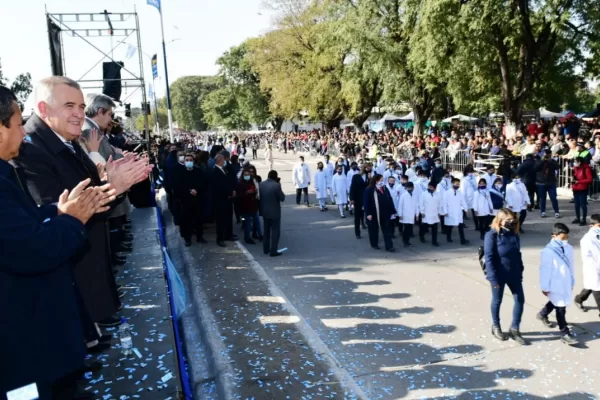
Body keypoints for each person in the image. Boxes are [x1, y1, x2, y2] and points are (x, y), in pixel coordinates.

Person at [0, 85, 113, 399]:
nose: (24, 131)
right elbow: (32, 249)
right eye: (19, 123)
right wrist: (72, 218)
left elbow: (24, 223)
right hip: (19, 345)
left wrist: (60, 211)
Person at [16, 76, 149, 329]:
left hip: (88, 267)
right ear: (43, 109)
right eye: (69, 106)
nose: (79, 114)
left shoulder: (68, 142)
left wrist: (113, 183)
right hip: (70, 276)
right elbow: (59, 213)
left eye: (80, 106)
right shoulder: (30, 151)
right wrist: (113, 187)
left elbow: (92, 190)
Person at [484, 208, 527, 345]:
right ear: (500, 220)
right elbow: (489, 258)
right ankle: (496, 326)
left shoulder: (514, 233)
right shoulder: (492, 235)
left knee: (520, 299)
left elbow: (517, 253)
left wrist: (520, 269)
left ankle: (515, 328)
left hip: (514, 272)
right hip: (499, 273)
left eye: (513, 219)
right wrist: (492, 277)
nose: (512, 222)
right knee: (497, 300)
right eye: (508, 220)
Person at [537, 223, 578, 345]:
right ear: (554, 236)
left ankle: (543, 313)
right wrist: (544, 287)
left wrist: (572, 279)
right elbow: (545, 270)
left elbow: (571, 264)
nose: (565, 240)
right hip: (554, 283)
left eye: (566, 238)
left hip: (565, 281)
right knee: (561, 307)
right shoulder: (548, 251)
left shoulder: (568, 248)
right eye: (562, 238)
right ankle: (564, 332)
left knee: (558, 301)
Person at [176, 153, 207, 246]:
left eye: (191, 160)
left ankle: (199, 236)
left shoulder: (198, 171)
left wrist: (196, 190)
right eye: (187, 160)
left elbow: (203, 183)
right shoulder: (180, 172)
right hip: (186, 200)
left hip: (197, 199)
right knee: (187, 221)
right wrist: (189, 191)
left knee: (199, 220)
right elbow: (178, 186)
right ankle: (187, 238)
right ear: (184, 161)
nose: (189, 162)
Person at [574, 214, 600, 314]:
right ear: (591, 226)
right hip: (594, 269)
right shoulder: (587, 240)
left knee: (590, 286)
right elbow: (594, 257)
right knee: (597, 288)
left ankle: (579, 299)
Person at [363, 174, 396, 252]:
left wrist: (392, 211)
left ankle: (389, 246)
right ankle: (374, 244)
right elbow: (366, 202)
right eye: (380, 180)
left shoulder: (385, 188)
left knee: (387, 230)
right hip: (374, 213)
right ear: (376, 180)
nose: (382, 182)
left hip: (385, 213)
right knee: (374, 230)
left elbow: (389, 199)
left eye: (383, 180)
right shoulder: (369, 189)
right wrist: (368, 213)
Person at [212, 154, 237, 247]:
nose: (225, 162)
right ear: (220, 160)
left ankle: (227, 235)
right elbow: (219, 187)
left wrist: (232, 191)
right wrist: (229, 192)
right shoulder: (215, 171)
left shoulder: (223, 169)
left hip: (227, 199)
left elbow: (227, 182)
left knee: (227, 218)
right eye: (223, 160)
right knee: (220, 220)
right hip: (220, 200)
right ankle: (220, 239)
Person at [259, 170, 285, 257]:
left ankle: (265, 249)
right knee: (275, 232)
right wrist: (279, 185)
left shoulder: (261, 184)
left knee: (266, 231)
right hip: (275, 212)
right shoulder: (276, 186)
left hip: (265, 211)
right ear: (275, 177)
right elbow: (282, 198)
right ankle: (273, 251)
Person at [441, 177, 469, 245]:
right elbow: (444, 203)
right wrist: (445, 212)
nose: (457, 185)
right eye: (456, 184)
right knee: (450, 226)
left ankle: (463, 240)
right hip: (450, 212)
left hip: (458, 212)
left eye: (458, 184)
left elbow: (463, 202)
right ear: (452, 184)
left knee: (460, 226)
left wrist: (466, 209)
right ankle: (448, 237)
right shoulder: (447, 193)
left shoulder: (460, 193)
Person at [237, 168, 261, 245]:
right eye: (245, 175)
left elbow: (255, 191)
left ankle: (258, 234)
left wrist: (253, 192)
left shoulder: (252, 182)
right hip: (244, 207)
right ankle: (247, 238)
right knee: (247, 223)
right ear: (243, 175)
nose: (247, 176)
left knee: (256, 220)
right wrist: (247, 192)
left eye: (248, 175)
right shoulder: (240, 184)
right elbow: (239, 195)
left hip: (253, 206)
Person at [534, 153, 560, 218]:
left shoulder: (552, 161)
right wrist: (542, 161)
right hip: (541, 183)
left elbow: (557, 167)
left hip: (551, 182)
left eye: (547, 156)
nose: (545, 157)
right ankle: (543, 211)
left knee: (553, 198)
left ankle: (556, 211)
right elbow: (535, 169)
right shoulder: (538, 162)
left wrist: (550, 161)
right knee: (542, 199)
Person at [349, 163, 371, 239]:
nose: (369, 170)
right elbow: (352, 188)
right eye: (367, 168)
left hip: (367, 199)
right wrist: (352, 198)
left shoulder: (370, 177)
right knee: (357, 216)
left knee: (369, 215)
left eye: (369, 168)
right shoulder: (356, 177)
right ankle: (357, 232)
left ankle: (370, 230)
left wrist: (370, 179)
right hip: (358, 199)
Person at [419, 181, 442, 247]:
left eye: (431, 187)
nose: (430, 188)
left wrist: (439, 212)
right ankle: (421, 236)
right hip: (426, 214)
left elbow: (440, 204)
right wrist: (422, 212)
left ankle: (434, 241)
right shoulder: (423, 194)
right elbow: (421, 204)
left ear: (435, 188)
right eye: (429, 187)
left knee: (435, 229)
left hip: (434, 214)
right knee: (424, 227)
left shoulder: (438, 194)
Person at [572, 156, 593, 226]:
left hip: (582, 189)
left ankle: (583, 219)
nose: (574, 163)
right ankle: (577, 218)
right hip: (575, 188)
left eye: (575, 162)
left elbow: (589, 179)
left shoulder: (586, 168)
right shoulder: (575, 168)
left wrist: (579, 181)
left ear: (579, 162)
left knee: (583, 205)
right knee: (576, 205)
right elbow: (575, 177)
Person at [398, 181, 419, 247]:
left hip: (412, 214)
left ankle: (407, 241)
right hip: (405, 214)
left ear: (413, 188)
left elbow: (416, 205)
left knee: (409, 229)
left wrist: (417, 214)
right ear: (406, 188)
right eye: (408, 188)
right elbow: (400, 206)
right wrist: (400, 214)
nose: (409, 189)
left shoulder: (415, 195)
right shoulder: (403, 195)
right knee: (406, 229)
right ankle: (405, 241)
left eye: (411, 188)